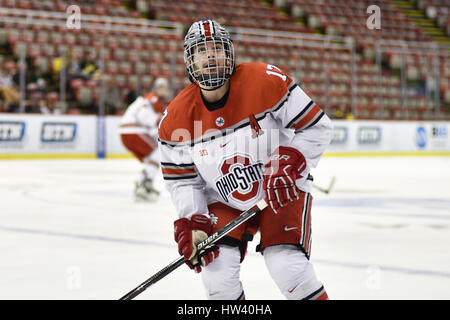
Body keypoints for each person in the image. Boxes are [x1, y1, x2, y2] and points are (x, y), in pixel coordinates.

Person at [158, 20, 332, 300]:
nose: (210, 56)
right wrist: (194, 223)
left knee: (287, 266)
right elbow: (183, 182)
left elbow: (317, 127)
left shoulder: (266, 80)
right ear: (189, 61)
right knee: (216, 273)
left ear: (230, 53)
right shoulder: (174, 119)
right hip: (225, 201)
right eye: (201, 51)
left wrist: (291, 161)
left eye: (217, 48)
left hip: (280, 188)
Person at [119, 77, 171, 201]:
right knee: (157, 153)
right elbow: (146, 117)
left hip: (129, 132)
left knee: (152, 158)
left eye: (164, 88)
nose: (162, 91)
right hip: (133, 131)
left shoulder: (151, 100)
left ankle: (143, 182)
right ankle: (144, 184)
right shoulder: (151, 99)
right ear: (155, 89)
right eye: (160, 88)